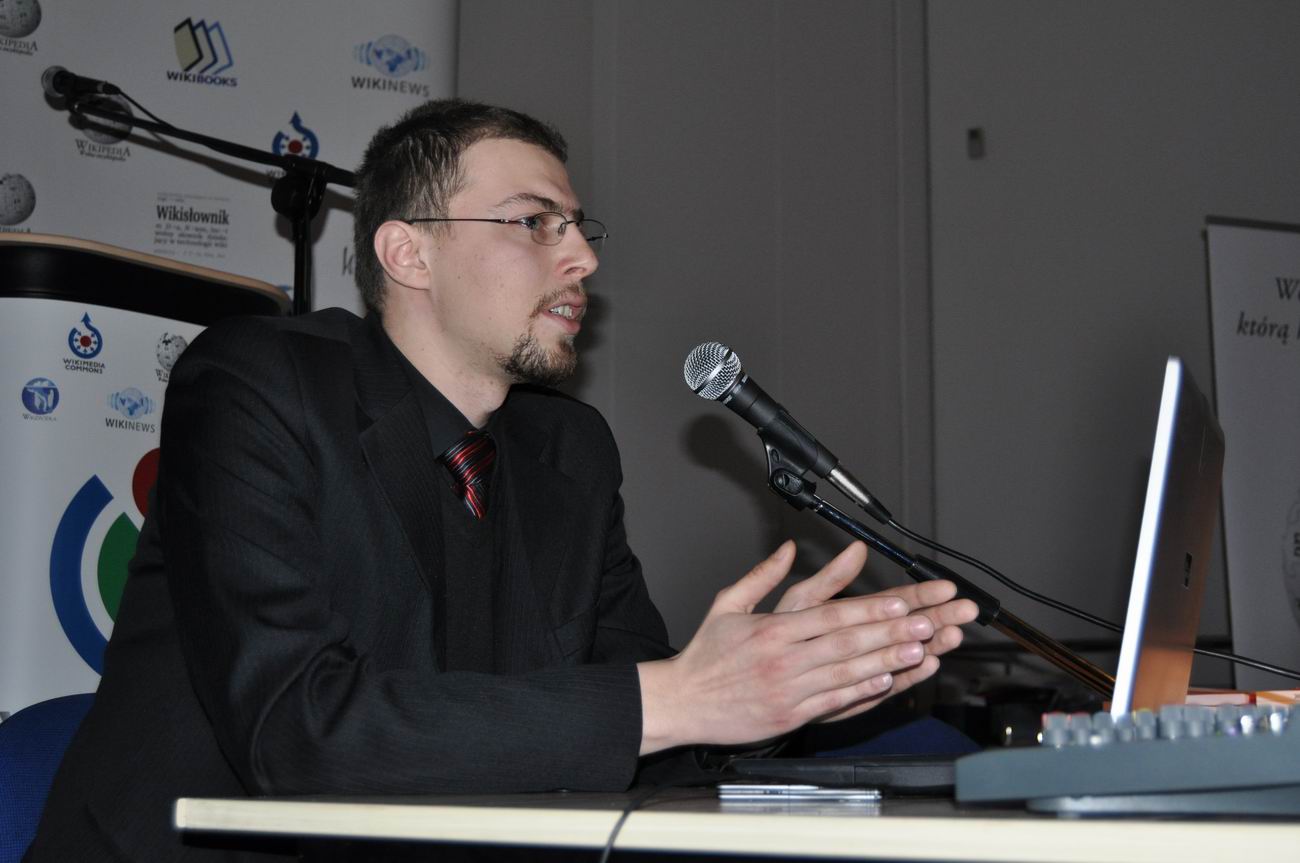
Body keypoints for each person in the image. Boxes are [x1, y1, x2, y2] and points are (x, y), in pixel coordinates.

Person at [26, 99, 977, 861]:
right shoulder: (257, 385)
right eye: (534, 223)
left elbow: (627, 731)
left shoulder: (570, 451)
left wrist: (771, 696)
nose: (584, 257)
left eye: (578, 227)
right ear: (408, 253)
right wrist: (682, 696)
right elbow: (296, 731)